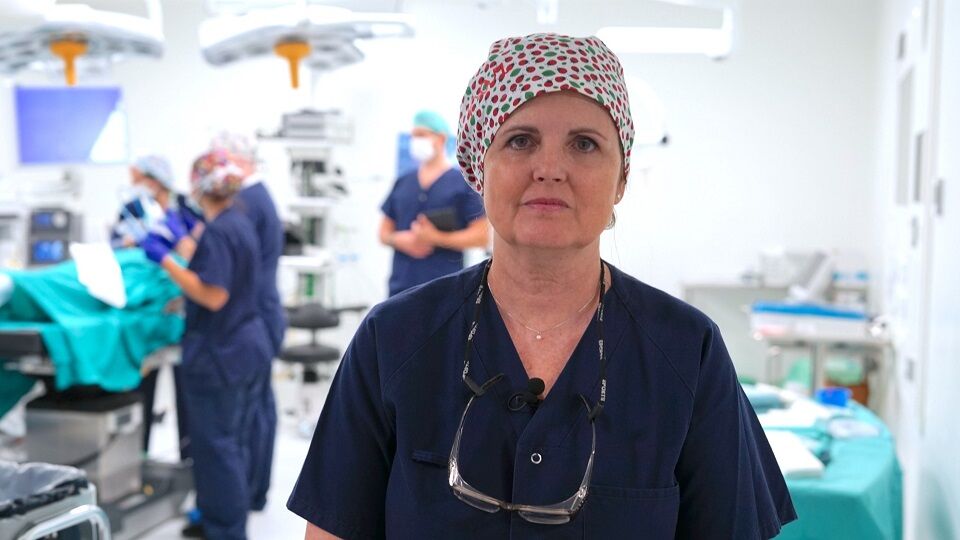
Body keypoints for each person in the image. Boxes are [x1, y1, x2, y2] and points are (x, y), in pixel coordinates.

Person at [287, 33, 796, 539]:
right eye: (520, 140)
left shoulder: (687, 351)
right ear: (479, 168)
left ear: (621, 178)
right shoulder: (393, 339)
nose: (550, 169)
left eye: (584, 144)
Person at [142, 149, 272, 540]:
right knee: (234, 444)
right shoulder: (237, 222)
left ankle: (225, 530)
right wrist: (185, 259)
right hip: (246, 346)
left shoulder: (219, 231)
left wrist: (164, 260)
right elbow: (221, 272)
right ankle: (227, 520)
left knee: (217, 449)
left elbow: (214, 295)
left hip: (221, 354)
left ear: (200, 185)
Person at [210, 132, 285, 513]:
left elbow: (225, 270)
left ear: (239, 162)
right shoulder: (257, 198)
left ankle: (247, 494)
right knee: (258, 409)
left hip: (252, 319)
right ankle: (253, 492)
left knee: (250, 415)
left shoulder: (247, 203)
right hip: (261, 315)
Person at [115, 155, 202, 457]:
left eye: (138, 178)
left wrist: (179, 243)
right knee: (143, 389)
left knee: (188, 394)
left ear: (155, 179)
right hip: (148, 310)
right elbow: (116, 246)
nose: (134, 184)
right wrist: (129, 244)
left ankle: (189, 458)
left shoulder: (186, 207)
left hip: (183, 308)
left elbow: (201, 249)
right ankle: (139, 455)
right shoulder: (131, 209)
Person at [379, 110, 489, 296]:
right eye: (413, 136)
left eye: (421, 135)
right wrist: (399, 240)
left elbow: (482, 236)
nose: (415, 141)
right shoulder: (403, 181)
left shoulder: (462, 183)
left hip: (445, 290)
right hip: (400, 289)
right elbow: (383, 233)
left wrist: (436, 238)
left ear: (441, 138)